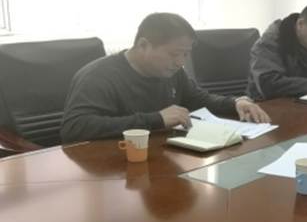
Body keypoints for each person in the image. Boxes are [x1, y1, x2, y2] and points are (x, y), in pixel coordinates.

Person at [61, 13, 270, 144]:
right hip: (111, 168)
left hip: (159, 155)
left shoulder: (171, 71)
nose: (180, 62)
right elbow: (74, 128)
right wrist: (155, 119)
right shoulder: (100, 77)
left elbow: (199, 99)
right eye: (174, 54)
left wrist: (236, 102)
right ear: (143, 46)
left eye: (186, 54)